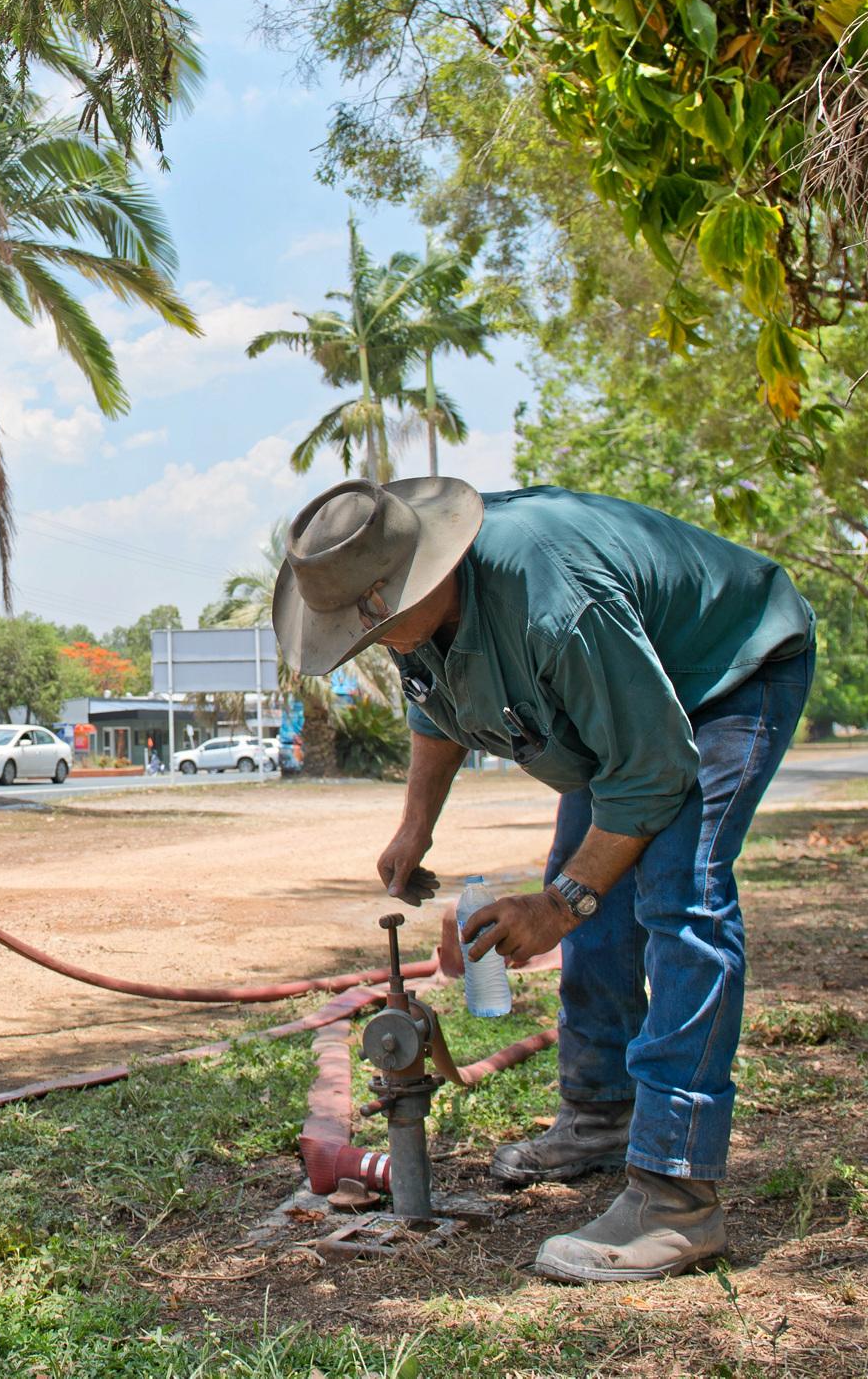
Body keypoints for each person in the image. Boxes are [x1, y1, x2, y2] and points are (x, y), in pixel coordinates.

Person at [272, 478, 813, 1282]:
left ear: (418, 577)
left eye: (377, 623)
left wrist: (561, 902)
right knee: (597, 900)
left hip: (722, 674)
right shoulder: (423, 621)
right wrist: (416, 825)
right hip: (622, 715)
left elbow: (655, 765)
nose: (375, 640)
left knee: (679, 897)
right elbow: (434, 705)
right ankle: (601, 1116)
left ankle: (677, 1194)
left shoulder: (557, 605)